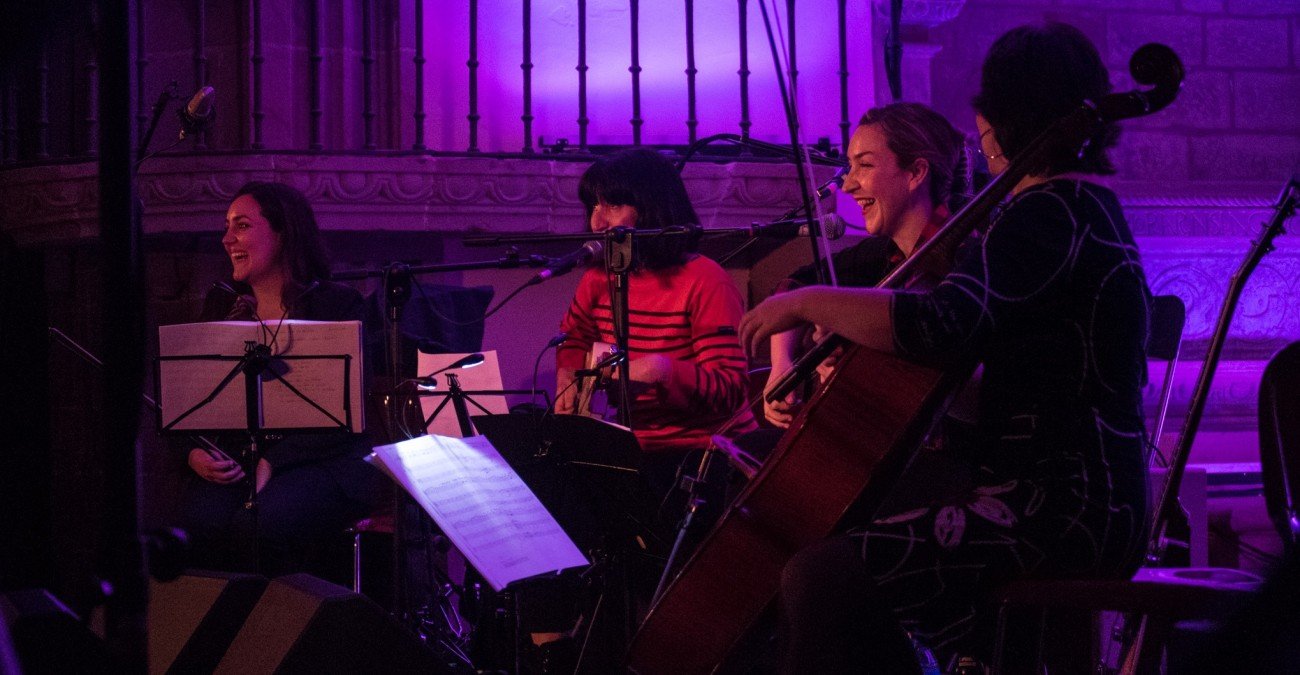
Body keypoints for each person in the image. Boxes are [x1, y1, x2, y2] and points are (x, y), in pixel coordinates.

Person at [739, 22, 1151, 671]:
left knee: (823, 573)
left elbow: (940, 321)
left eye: (985, 109)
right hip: (1079, 498)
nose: (979, 128)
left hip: (1059, 508)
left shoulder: (1049, 212)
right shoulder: (1080, 208)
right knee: (838, 568)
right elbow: (1020, 386)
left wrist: (802, 301)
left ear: (1010, 116)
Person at [178, 180, 384, 576]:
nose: (226, 239)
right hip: (242, 460)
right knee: (195, 528)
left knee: (258, 526)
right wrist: (192, 452)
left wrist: (273, 460)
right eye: (227, 226)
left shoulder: (337, 304)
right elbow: (188, 398)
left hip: (323, 461)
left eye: (241, 225)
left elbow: (347, 411)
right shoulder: (223, 305)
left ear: (283, 232)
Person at [555, 147, 757, 498]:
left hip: (706, 457)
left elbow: (730, 391)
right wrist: (568, 375)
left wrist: (661, 371)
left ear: (651, 209)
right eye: (593, 207)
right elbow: (574, 339)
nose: (596, 223)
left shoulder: (705, 279)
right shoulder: (597, 277)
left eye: (612, 206)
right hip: (629, 448)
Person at [764, 102, 969, 429]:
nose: (848, 185)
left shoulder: (967, 258)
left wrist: (861, 373)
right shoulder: (882, 254)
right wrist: (782, 365)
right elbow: (797, 286)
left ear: (915, 172)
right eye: (850, 166)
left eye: (865, 166)